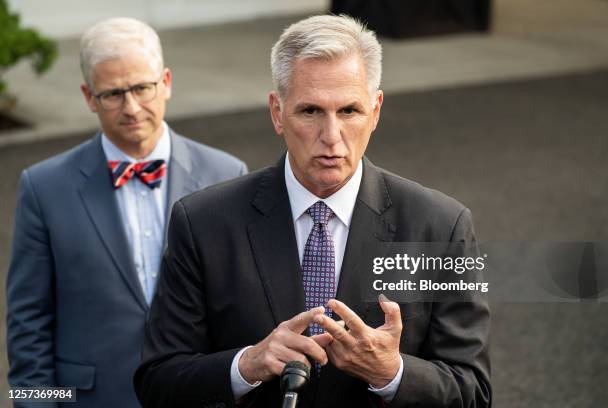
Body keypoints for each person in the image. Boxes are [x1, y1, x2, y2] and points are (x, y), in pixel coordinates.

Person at [135, 15, 490, 407]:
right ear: (277, 112)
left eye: (349, 111)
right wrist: (247, 365)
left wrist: (392, 373)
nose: (331, 136)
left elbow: (473, 392)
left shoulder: (439, 226)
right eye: (310, 112)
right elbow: (158, 381)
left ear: (375, 111)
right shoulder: (202, 223)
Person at [6, 17, 247, 408]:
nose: (131, 107)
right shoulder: (43, 187)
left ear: (166, 82)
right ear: (89, 97)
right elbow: (27, 325)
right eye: (113, 94)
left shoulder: (226, 175)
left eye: (141, 88)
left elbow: (241, 312)